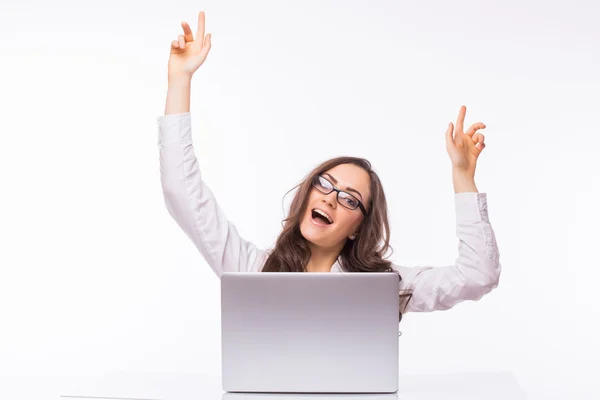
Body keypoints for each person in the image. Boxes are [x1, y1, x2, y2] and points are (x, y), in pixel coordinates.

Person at [157, 11, 501, 316]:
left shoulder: (385, 286)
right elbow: (182, 193)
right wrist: (180, 80)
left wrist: (462, 176)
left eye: (350, 198)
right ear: (307, 193)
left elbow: (477, 276)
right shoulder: (252, 269)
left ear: (357, 228)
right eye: (325, 184)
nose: (330, 198)